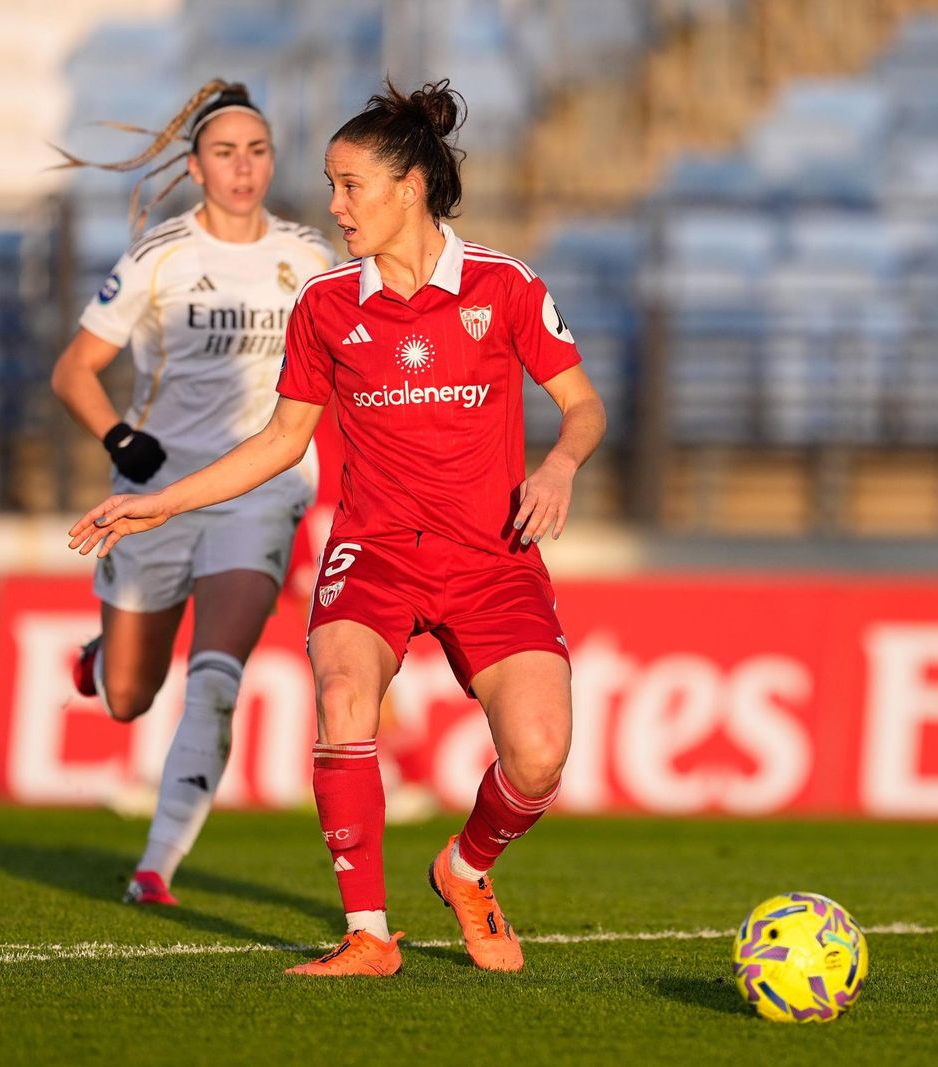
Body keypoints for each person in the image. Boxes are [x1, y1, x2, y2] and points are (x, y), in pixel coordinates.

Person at [68, 77, 606, 977]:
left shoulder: (505, 286)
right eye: (330, 184)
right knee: (345, 697)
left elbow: (583, 405)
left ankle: (466, 870)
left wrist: (559, 462)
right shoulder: (325, 304)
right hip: (377, 552)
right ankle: (368, 933)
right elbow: (282, 441)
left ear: (411, 188)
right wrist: (161, 498)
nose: (333, 205)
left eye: (350, 185)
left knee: (542, 756)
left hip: (491, 557)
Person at [50, 81, 335, 907]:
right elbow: (74, 370)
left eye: (257, 151)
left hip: (261, 488)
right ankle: (104, 660)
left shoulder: (310, 257)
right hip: (155, 489)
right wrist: (118, 438)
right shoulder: (158, 256)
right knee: (129, 700)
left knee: (215, 676)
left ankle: (156, 867)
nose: (243, 168)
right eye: (225, 152)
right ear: (197, 165)